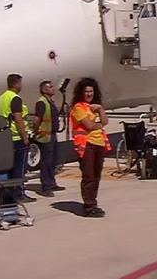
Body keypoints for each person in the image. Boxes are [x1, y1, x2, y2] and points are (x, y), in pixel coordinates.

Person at [70, 78, 109, 218]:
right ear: (81, 92)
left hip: (99, 144)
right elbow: (90, 125)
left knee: (96, 176)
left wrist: (100, 109)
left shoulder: (95, 107)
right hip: (86, 145)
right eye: (86, 91)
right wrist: (98, 124)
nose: (89, 94)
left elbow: (105, 121)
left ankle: (93, 203)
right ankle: (88, 206)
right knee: (88, 176)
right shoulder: (78, 107)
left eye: (91, 91)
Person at [0, 74, 36, 203]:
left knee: (6, 168)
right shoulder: (15, 99)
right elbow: (18, 119)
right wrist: (25, 137)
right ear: (16, 84)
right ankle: (19, 193)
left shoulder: (2, 98)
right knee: (19, 168)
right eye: (20, 83)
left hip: (4, 137)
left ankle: (6, 193)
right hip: (16, 137)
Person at [33, 80, 64, 197]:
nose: (53, 88)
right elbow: (37, 120)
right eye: (50, 87)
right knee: (46, 161)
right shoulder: (41, 103)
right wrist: (37, 132)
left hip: (52, 134)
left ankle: (52, 182)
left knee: (53, 160)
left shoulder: (50, 101)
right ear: (44, 90)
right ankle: (46, 186)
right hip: (45, 136)